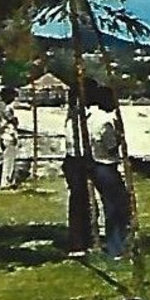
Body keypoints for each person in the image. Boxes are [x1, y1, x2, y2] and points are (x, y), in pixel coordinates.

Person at [86, 83, 131, 261]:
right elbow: (111, 147)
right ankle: (116, 246)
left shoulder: (90, 118)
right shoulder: (106, 121)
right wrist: (120, 138)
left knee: (112, 206)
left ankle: (116, 244)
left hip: (96, 165)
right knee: (117, 207)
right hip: (105, 165)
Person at [62, 83, 94, 257]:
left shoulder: (73, 116)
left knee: (82, 200)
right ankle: (78, 242)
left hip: (75, 159)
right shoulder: (77, 118)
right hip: (77, 160)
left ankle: (85, 238)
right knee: (78, 200)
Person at [0, 86, 20, 190]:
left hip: (4, 136)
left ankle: (9, 180)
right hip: (8, 136)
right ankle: (6, 182)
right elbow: (12, 121)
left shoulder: (2, 109)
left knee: (9, 159)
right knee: (9, 160)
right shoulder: (7, 109)